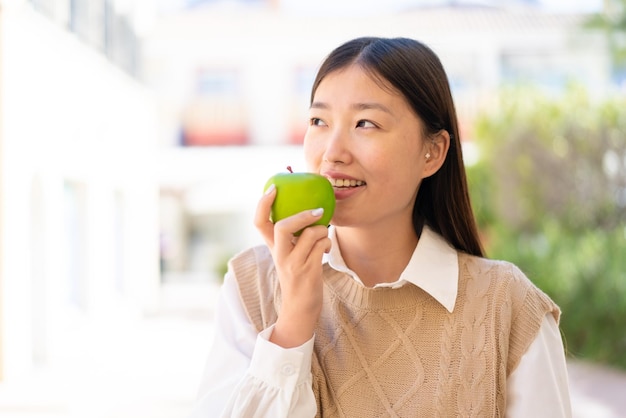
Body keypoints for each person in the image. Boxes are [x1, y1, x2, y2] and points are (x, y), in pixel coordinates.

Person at [189, 37, 571, 417]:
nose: (332, 152)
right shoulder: (251, 285)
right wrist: (292, 326)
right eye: (318, 121)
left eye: (365, 123)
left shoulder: (508, 307)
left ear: (433, 152)